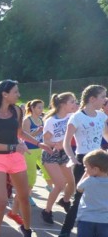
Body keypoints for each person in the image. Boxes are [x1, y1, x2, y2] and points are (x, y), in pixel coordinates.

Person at [0, 80, 50, 237]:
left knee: (24, 197)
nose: (18, 95)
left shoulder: (17, 111)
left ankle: (27, 229)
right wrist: (14, 147)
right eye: (15, 92)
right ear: (4, 94)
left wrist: (38, 143)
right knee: (2, 201)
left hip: (16, 158)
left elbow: (20, 133)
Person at [57, 84, 108, 237]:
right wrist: (73, 158)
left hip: (100, 159)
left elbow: (105, 134)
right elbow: (66, 142)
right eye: (102, 96)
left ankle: (97, 235)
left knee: (101, 197)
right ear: (92, 99)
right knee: (79, 199)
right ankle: (64, 235)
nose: (105, 100)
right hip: (83, 160)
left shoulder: (101, 116)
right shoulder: (77, 117)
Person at [40, 93, 77, 224]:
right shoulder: (51, 121)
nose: (74, 104)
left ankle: (65, 201)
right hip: (51, 153)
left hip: (64, 153)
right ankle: (47, 211)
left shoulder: (72, 116)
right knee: (60, 184)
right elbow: (46, 140)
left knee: (72, 182)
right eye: (72, 102)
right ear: (62, 104)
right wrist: (56, 144)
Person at [75, 149, 108, 237]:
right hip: (104, 221)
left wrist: (85, 175)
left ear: (95, 169)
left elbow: (78, 188)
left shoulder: (89, 181)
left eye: (86, 167)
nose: (85, 169)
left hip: (86, 219)